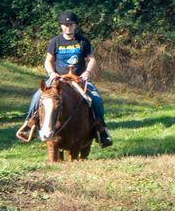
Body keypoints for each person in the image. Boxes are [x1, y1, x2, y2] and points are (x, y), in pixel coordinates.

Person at [18, 11, 111, 146]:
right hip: (58, 79)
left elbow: (91, 59)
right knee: (37, 97)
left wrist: (87, 72)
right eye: (65, 24)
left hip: (78, 79)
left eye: (71, 24)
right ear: (61, 26)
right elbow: (48, 61)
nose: (68, 27)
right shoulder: (55, 42)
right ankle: (29, 125)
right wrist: (51, 73)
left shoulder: (82, 41)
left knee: (96, 100)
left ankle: (101, 131)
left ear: (75, 26)